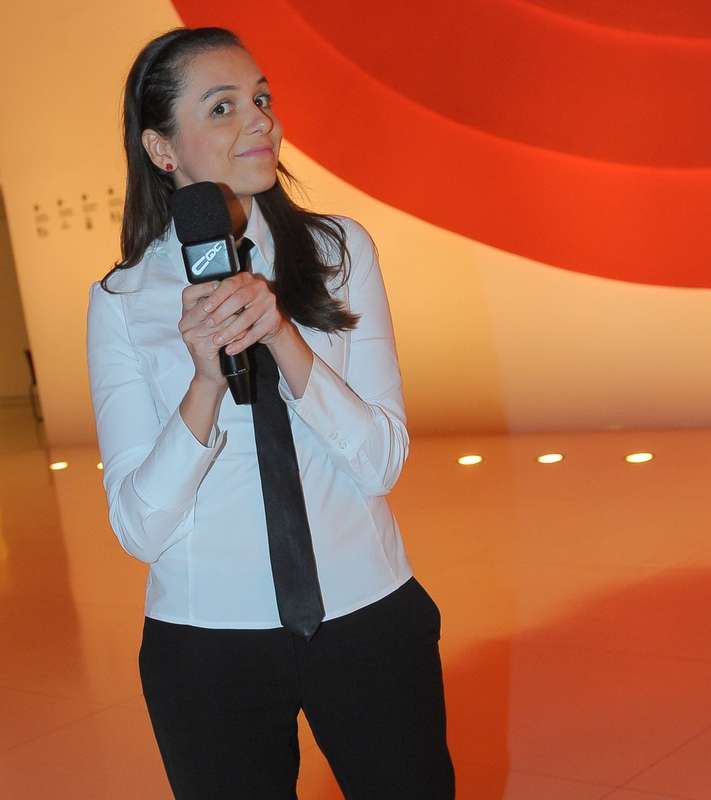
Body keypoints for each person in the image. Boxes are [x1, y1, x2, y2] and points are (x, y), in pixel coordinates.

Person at [86, 26, 455, 799]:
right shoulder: (123, 299)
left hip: (369, 614)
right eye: (222, 107)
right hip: (206, 645)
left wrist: (283, 338)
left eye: (261, 99)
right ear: (161, 148)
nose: (260, 120)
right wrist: (204, 382)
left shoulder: (338, 251)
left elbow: (381, 463)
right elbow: (139, 528)